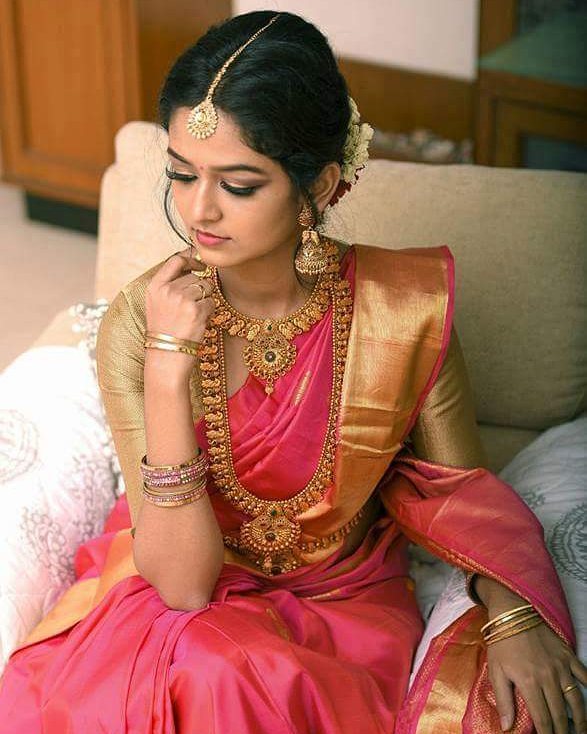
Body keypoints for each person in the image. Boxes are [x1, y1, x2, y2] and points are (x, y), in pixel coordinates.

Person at [0, 10, 584, 734]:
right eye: (181, 175)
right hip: (178, 585)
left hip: (342, 606)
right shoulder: (141, 320)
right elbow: (181, 587)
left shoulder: (400, 312)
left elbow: (460, 494)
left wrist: (514, 612)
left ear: (319, 184)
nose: (198, 209)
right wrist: (168, 364)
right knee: (205, 666)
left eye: (238, 185)